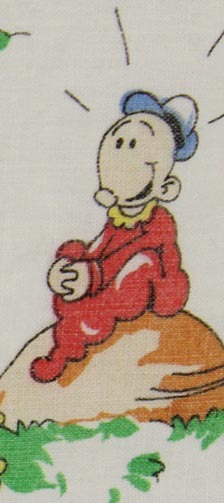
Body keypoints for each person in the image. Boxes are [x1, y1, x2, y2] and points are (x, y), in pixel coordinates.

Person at [32, 91, 197, 382]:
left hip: (149, 288)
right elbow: (104, 247)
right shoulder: (118, 218)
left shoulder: (157, 222)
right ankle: (66, 344)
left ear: (166, 188)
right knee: (76, 252)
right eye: (118, 143)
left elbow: (127, 255)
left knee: (140, 265)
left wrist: (92, 275)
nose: (122, 150)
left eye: (133, 145)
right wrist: (70, 267)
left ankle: (68, 350)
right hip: (107, 279)